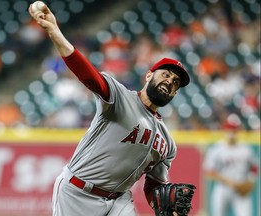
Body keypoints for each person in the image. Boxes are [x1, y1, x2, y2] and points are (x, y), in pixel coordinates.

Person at [28, 3, 194, 216]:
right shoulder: (119, 97)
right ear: (149, 75)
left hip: (119, 201)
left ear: (175, 93)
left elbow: (154, 185)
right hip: (77, 193)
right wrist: (54, 32)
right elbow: (88, 75)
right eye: (166, 74)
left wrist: (164, 209)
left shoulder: (167, 144)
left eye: (176, 82)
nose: (170, 81)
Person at [203, 118, 258, 216]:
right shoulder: (217, 149)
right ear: (225, 130)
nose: (232, 133)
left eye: (234, 130)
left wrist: (251, 181)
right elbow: (209, 170)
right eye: (229, 129)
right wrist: (229, 182)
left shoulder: (245, 149)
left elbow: (254, 167)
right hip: (222, 187)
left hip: (241, 188)